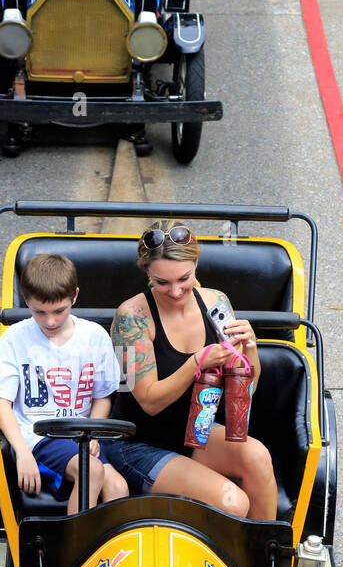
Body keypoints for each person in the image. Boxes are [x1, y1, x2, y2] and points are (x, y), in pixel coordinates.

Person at [108, 221, 277, 519]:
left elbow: (247, 388)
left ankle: (266, 560)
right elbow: (148, 401)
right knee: (232, 502)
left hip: (194, 432)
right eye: (162, 282)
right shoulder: (130, 318)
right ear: (146, 271)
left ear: (196, 263)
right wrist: (196, 363)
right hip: (138, 444)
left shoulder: (216, 302)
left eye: (184, 278)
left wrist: (250, 349)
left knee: (259, 457)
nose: (175, 291)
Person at [0, 253, 128, 513]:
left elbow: (103, 397)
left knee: (118, 488)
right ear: (27, 302)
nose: (50, 321)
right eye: (40, 312)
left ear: (75, 297)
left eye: (59, 311)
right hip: (39, 436)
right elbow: (0, 401)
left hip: (83, 435)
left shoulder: (95, 336)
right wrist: (22, 452)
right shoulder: (15, 337)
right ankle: (75, 553)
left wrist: (93, 431)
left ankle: (107, 552)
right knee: (91, 471)